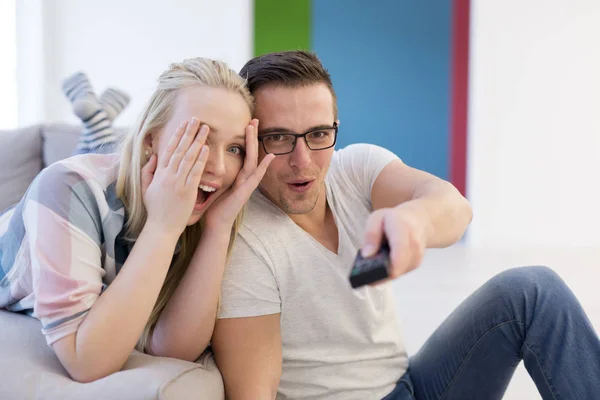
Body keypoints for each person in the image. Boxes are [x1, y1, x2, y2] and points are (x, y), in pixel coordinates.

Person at [211, 50, 600, 400]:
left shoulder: (355, 168)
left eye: (318, 134)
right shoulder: (245, 242)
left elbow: (454, 207)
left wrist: (412, 220)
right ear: (250, 140)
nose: (303, 160)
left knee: (533, 290)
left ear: (334, 128)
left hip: (411, 385)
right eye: (277, 137)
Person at [0, 57, 273, 383]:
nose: (218, 166)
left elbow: (173, 348)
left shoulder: (203, 212)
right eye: (198, 138)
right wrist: (162, 226)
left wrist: (218, 227)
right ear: (150, 140)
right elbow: (87, 362)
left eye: (235, 149)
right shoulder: (67, 188)